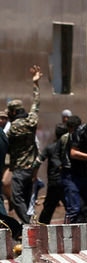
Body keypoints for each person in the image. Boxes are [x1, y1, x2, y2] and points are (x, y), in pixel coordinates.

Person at [6, 65, 42, 224]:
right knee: (27, 197)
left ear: (13, 112)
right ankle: (29, 223)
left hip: (20, 169)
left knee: (16, 197)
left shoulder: (14, 128)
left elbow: (5, 142)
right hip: (32, 168)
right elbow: (36, 103)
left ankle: (28, 224)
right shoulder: (31, 120)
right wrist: (35, 84)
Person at [36, 124, 68, 225]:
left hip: (53, 182)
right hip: (66, 181)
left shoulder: (50, 147)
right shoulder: (69, 147)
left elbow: (38, 161)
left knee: (48, 208)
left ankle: (41, 230)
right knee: (71, 207)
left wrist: (33, 175)